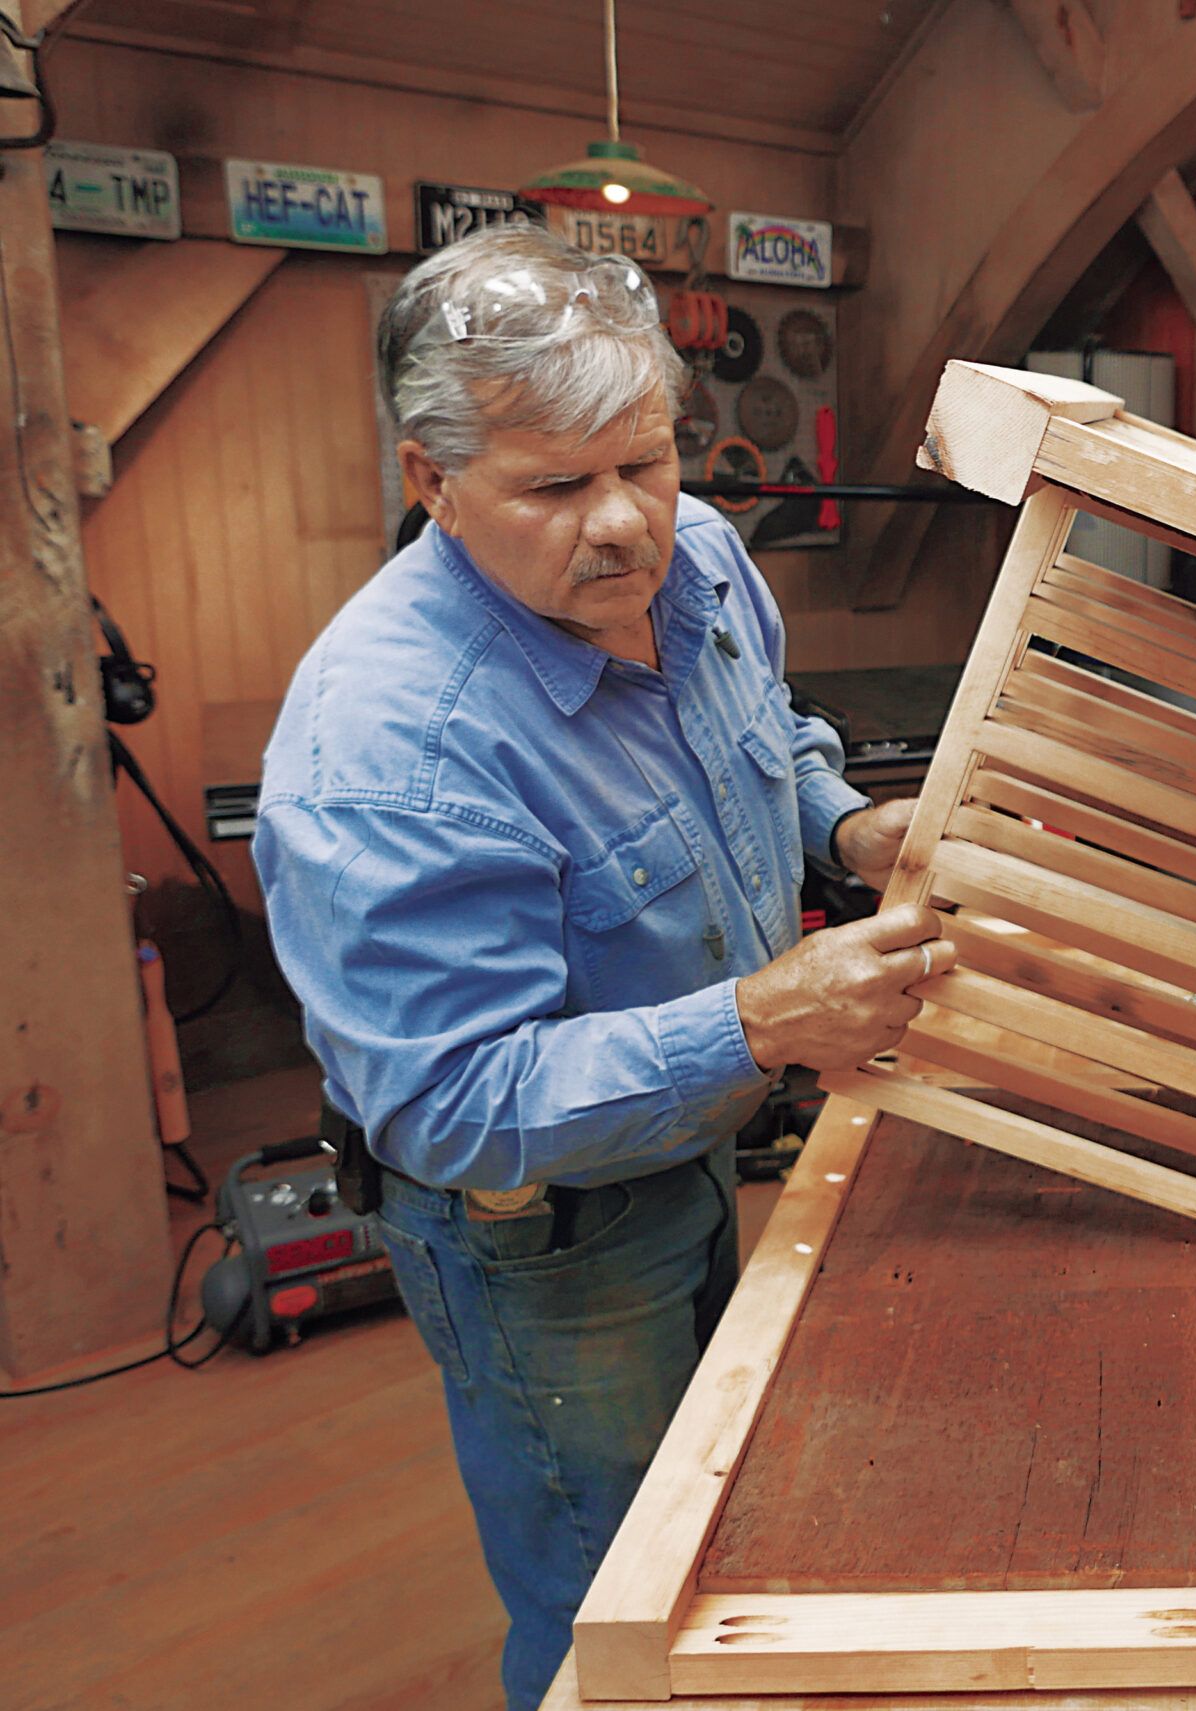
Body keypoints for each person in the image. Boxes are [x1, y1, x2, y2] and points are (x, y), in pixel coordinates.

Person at [254, 225, 948, 1709]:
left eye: (645, 459)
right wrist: (761, 1022)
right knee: (610, 1608)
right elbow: (446, 1104)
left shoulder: (693, 561)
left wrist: (848, 826)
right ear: (428, 482)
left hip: (696, 1151)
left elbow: (769, 737)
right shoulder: (393, 748)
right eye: (556, 487)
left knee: (713, 1532)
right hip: (537, 1240)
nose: (624, 523)